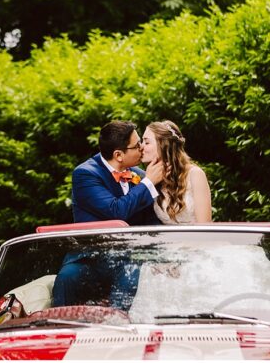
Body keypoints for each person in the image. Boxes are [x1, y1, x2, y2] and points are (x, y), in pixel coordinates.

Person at [53, 120, 164, 310]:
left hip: (129, 259)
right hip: (91, 258)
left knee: (134, 273)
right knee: (67, 277)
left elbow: (152, 220)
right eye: (137, 145)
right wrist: (148, 183)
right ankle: (58, 329)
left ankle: (117, 329)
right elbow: (116, 211)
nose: (141, 148)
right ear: (118, 155)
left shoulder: (140, 175)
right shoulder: (85, 174)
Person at [141, 120, 211, 224]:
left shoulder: (194, 174)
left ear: (164, 145)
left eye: (146, 142)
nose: (141, 147)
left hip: (198, 239)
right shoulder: (151, 179)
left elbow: (205, 226)